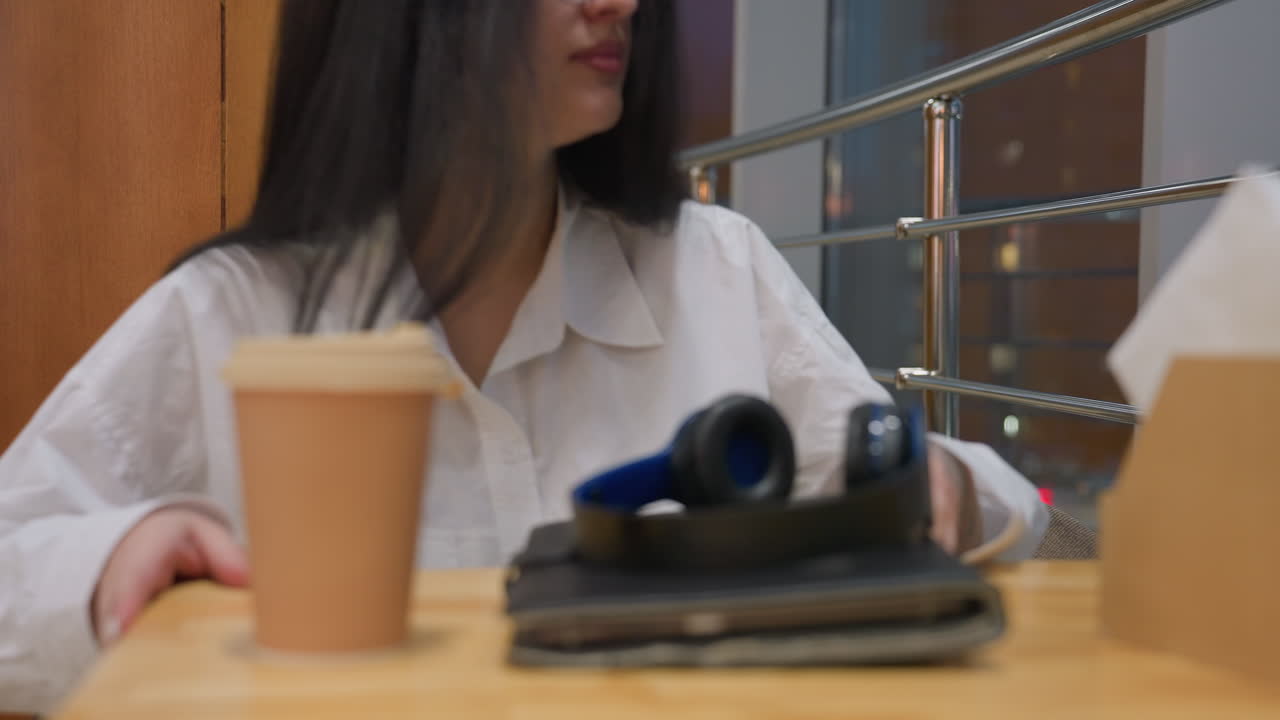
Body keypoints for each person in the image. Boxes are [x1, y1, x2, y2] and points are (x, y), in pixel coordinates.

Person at [0, 0, 1048, 712]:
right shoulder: (229, 315)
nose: (620, 3)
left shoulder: (716, 271)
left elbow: (981, 506)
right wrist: (110, 566)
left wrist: (946, 488)